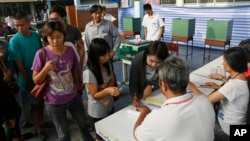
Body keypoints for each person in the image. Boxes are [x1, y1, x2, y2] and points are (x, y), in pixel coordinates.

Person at [31, 21, 94, 141]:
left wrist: (77, 88)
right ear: (46, 38)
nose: (55, 41)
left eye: (59, 37)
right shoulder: (41, 54)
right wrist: (45, 69)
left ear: (64, 36)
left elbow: (75, 70)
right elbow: (36, 80)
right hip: (54, 102)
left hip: (74, 98)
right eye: (51, 38)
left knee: (83, 126)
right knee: (63, 134)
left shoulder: (70, 50)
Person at [133, 56, 215, 141]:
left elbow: (137, 136)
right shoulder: (205, 102)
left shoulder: (157, 118)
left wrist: (144, 112)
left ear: (163, 85)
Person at [7, 11, 45, 141]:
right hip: (26, 79)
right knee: (34, 105)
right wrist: (30, 82)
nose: (19, 28)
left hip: (40, 76)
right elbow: (20, 66)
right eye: (16, 25)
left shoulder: (35, 36)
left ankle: (41, 122)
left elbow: (41, 55)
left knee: (41, 102)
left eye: (22, 25)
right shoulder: (14, 41)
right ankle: (38, 129)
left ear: (29, 23)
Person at [203, 47, 249, 141]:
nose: (222, 63)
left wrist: (190, 85)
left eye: (224, 60)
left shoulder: (233, 85)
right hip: (239, 128)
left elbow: (207, 100)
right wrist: (221, 82)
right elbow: (235, 91)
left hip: (227, 132)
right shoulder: (241, 79)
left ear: (232, 63)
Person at [82, 38, 121, 141]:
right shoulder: (89, 73)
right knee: (100, 136)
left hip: (109, 105)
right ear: (95, 56)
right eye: (103, 55)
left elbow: (112, 78)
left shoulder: (107, 64)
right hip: (98, 111)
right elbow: (94, 95)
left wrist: (109, 89)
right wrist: (108, 91)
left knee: (110, 131)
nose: (107, 57)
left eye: (108, 53)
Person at [129, 41, 170, 107]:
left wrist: (152, 86)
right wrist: (134, 97)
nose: (154, 64)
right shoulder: (138, 60)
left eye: (158, 62)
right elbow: (133, 83)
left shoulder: (167, 61)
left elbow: (166, 78)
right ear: (146, 55)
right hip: (141, 94)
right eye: (151, 61)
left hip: (157, 92)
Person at [49, 5, 85, 71]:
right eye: (51, 19)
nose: (53, 22)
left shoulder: (74, 30)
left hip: (72, 65)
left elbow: (81, 48)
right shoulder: (49, 32)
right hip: (56, 66)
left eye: (56, 19)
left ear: (63, 18)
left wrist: (80, 65)